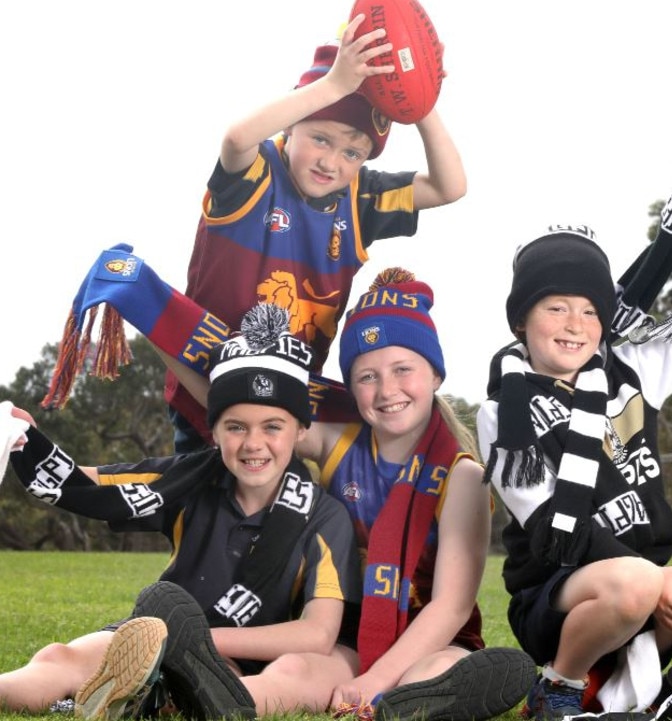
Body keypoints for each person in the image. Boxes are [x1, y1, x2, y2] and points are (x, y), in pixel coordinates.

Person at [155, 270, 535, 721]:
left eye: (403, 370)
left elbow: (450, 608)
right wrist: (148, 314)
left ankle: (409, 703)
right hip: (350, 634)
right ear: (351, 388)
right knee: (296, 669)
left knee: (440, 669)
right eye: (367, 376)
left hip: (431, 639)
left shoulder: (462, 476)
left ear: (434, 374)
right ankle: (214, 699)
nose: (387, 390)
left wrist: (374, 682)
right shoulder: (337, 443)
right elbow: (248, 409)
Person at [478, 157, 672, 721]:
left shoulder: (631, 371)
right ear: (522, 319)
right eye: (555, 306)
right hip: (561, 601)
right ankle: (558, 690)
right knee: (636, 581)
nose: (574, 324)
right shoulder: (504, 411)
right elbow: (550, 533)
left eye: (591, 310)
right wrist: (654, 582)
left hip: (644, 583)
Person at [1, 304, 363, 721]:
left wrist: (196, 641)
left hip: (242, 655)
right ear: (215, 430)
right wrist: (28, 442)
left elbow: (317, 634)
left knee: (294, 673)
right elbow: (90, 485)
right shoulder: (189, 478)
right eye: (236, 426)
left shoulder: (324, 515)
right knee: (59, 657)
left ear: (301, 430)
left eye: (272, 426)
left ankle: (179, 700)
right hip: (156, 635)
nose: (253, 443)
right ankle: (150, 693)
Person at [162, 11, 467, 453]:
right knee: (208, 511)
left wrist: (421, 104)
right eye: (320, 139)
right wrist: (335, 86)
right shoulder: (256, 172)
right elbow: (235, 139)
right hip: (207, 383)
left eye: (352, 152)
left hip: (287, 399)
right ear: (292, 125)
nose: (332, 162)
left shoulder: (360, 197)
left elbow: (449, 186)